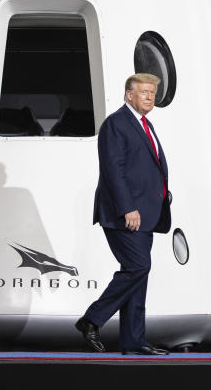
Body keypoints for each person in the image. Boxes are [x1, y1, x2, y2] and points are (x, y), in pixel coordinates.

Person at [75, 73, 172, 355]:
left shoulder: (145, 124)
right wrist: (128, 206)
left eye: (152, 93)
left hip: (147, 213)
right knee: (138, 267)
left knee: (138, 274)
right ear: (129, 95)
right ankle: (92, 320)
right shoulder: (116, 124)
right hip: (124, 213)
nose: (149, 97)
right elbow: (113, 169)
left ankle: (133, 340)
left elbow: (144, 167)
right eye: (144, 92)